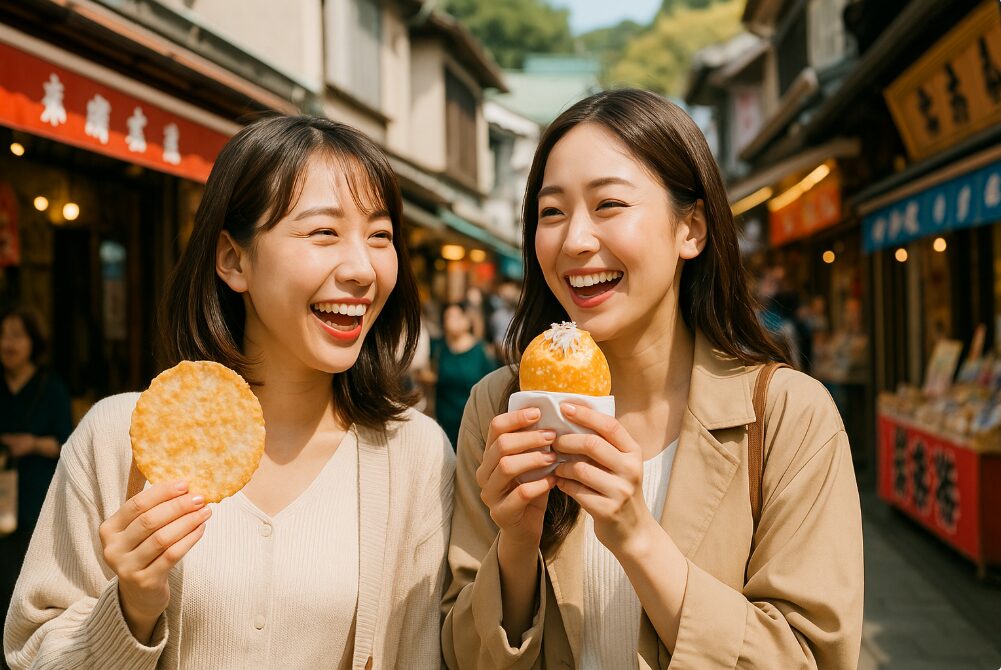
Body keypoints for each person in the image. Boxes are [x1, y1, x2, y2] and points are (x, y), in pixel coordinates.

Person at [5, 116, 454, 669]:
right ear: (233, 260)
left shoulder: (415, 456)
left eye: (380, 236)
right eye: (323, 232)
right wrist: (130, 609)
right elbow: (30, 653)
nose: (363, 268)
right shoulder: (116, 439)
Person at [441, 89, 863, 669]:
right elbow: (461, 656)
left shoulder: (791, 414)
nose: (575, 240)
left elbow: (812, 658)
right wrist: (515, 545)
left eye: (610, 204)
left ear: (691, 229)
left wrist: (637, 536)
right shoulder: (499, 405)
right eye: (552, 212)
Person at [0, 306, 73, 623]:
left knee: (23, 581)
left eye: (16, 335)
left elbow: (67, 443)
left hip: (36, 497)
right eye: (2, 336)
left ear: (33, 343)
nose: (7, 343)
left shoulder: (51, 387)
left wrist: (32, 444)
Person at [432, 302, 497, 450]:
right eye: (448, 317)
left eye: (456, 316)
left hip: (472, 421)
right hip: (444, 422)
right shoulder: (439, 348)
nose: (451, 321)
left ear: (467, 320)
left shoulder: (480, 350)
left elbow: (490, 386)